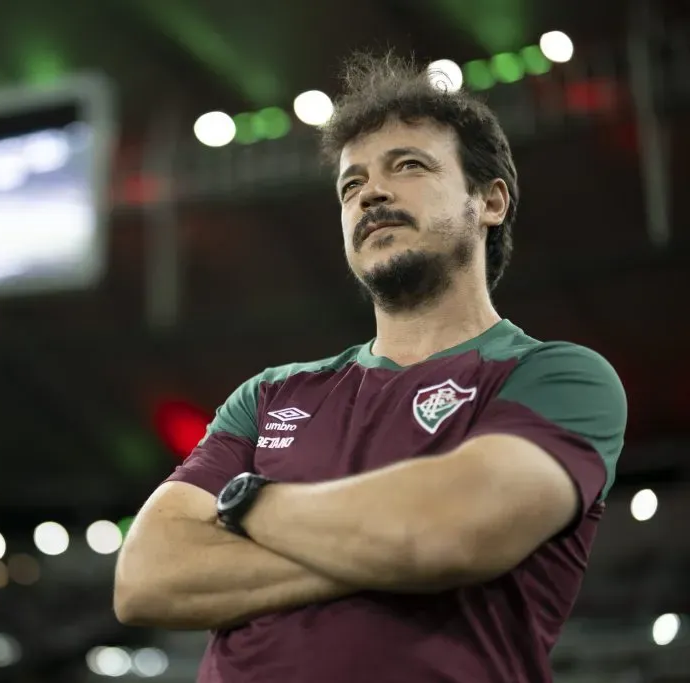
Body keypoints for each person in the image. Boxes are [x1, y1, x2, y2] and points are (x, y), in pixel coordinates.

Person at [112, 51, 627, 682]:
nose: (372, 193)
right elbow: (146, 578)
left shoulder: (558, 377)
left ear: (490, 201)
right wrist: (389, 554)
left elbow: (447, 535)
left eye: (408, 166)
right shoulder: (271, 395)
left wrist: (248, 506)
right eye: (351, 185)